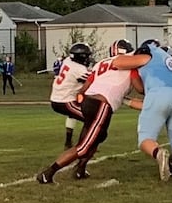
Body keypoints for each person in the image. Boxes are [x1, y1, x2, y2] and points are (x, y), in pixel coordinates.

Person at [111, 40, 172, 185]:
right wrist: (128, 101)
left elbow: (118, 63)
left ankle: (158, 153)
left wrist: (133, 69)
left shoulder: (150, 54)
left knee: (145, 139)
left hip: (159, 94)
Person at [36, 40, 138, 183]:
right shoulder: (83, 69)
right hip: (69, 101)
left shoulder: (94, 64)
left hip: (80, 99)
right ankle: (48, 173)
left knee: (97, 133)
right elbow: (139, 88)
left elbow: (88, 85)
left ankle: (80, 168)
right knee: (86, 144)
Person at [50, 43, 93, 149]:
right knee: (93, 120)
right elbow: (92, 80)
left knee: (73, 115)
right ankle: (84, 146)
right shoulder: (79, 70)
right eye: (86, 56)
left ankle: (68, 143)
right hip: (65, 101)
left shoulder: (68, 61)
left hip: (57, 99)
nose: (88, 58)